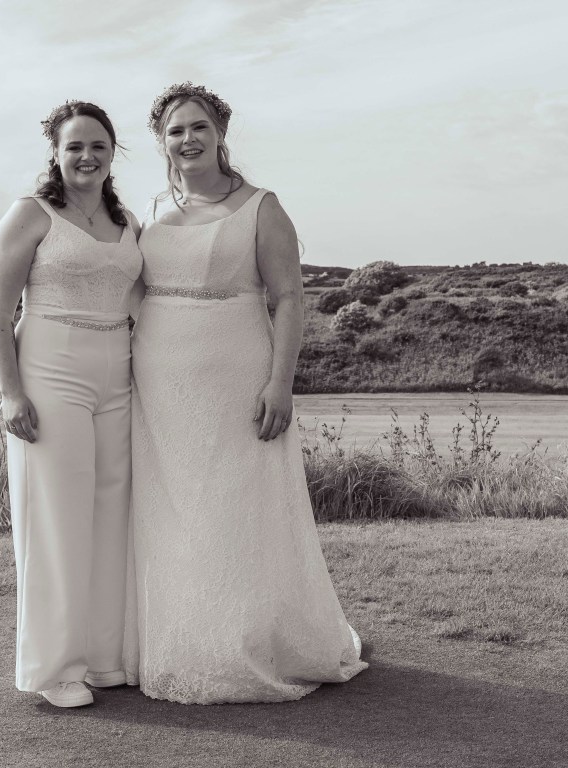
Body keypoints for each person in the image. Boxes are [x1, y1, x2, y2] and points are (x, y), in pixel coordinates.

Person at [123, 83, 368, 704]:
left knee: (235, 503)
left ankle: (249, 639)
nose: (188, 139)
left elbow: (288, 299)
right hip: (157, 374)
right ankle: (178, 639)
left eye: (199, 127)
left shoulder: (262, 206)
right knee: (170, 505)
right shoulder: (149, 209)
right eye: (175, 131)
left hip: (236, 368)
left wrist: (280, 382)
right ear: (161, 141)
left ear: (221, 132)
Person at [0, 101, 142, 708]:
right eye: (74, 145)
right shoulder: (31, 214)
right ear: (55, 150)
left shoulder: (125, 219)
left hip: (118, 372)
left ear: (113, 151)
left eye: (98, 145)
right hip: (51, 369)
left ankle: (103, 658)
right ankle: (55, 670)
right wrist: (11, 393)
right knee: (56, 520)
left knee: (110, 515)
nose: (87, 156)